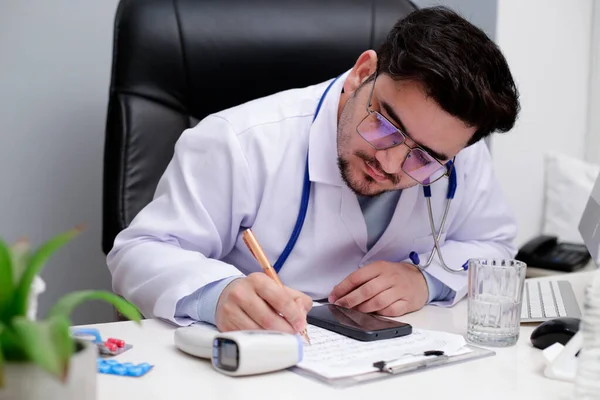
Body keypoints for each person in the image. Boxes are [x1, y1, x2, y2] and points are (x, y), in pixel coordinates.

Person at [106, 6, 520, 336]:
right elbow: (137, 252)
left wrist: (425, 279)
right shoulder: (239, 141)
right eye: (387, 126)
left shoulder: (455, 155)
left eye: (424, 158)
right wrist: (217, 294)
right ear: (362, 73)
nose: (390, 163)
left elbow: (496, 247)